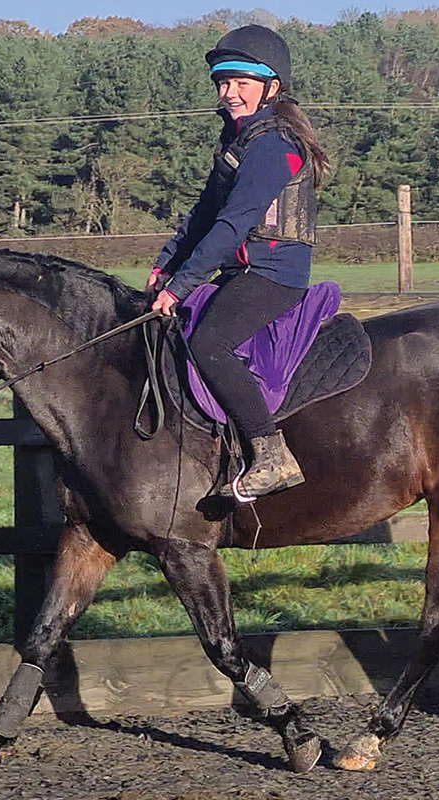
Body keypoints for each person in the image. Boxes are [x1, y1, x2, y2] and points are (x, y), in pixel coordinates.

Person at [148, 24, 330, 501]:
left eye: (241, 84)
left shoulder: (275, 146)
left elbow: (233, 224)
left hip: (274, 275)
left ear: (271, 88)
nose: (229, 93)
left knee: (209, 343)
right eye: (223, 83)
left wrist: (182, 285)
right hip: (241, 272)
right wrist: (165, 267)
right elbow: (203, 215)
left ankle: (271, 454)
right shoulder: (237, 143)